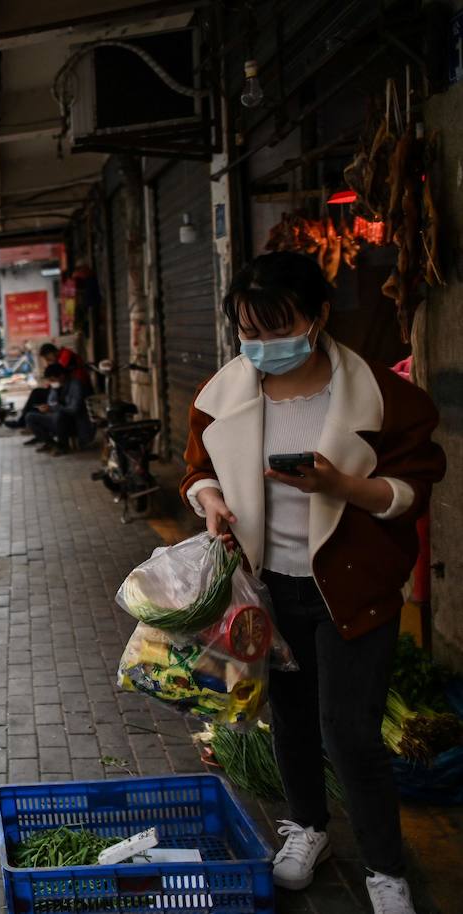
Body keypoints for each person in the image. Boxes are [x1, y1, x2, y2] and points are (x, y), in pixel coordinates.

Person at [181, 252, 445, 914]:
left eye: (278, 327)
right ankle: (310, 830)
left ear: (319, 316)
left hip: (352, 588)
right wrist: (210, 501)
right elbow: (196, 470)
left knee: (350, 732)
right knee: (292, 719)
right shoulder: (221, 396)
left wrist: (340, 485)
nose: (264, 346)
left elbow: (413, 489)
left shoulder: (384, 396)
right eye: (250, 330)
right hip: (270, 584)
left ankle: (386, 870)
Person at [22, 363, 91, 454]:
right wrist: (47, 408)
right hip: (56, 419)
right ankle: (52, 444)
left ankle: (63, 446)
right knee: (30, 416)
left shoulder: (75, 385)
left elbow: (74, 409)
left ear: (61, 376)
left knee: (60, 415)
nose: (51, 382)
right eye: (50, 380)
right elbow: (51, 401)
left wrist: (54, 408)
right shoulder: (55, 387)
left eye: (52, 379)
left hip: (74, 422)